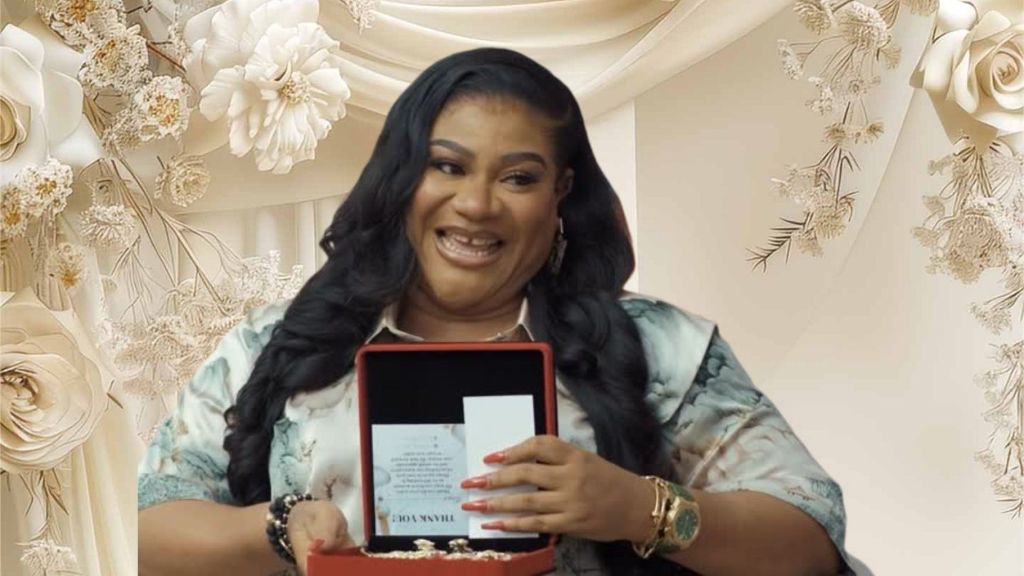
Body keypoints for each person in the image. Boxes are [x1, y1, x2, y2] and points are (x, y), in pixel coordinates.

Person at [138, 48, 852, 576]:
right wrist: (279, 528)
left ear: (560, 192)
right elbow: (144, 531)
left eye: (517, 178)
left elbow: (810, 540)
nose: (477, 204)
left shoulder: (659, 347)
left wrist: (638, 508)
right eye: (447, 166)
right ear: (401, 176)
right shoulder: (275, 343)